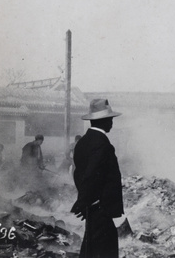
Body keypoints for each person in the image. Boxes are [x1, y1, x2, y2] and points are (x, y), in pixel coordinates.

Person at [71, 99, 124, 258]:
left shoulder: (82, 143)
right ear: (104, 121)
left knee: (91, 247)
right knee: (104, 249)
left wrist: (84, 200)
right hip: (101, 207)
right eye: (110, 119)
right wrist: (86, 201)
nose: (112, 123)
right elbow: (90, 175)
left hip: (94, 207)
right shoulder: (102, 144)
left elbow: (78, 174)